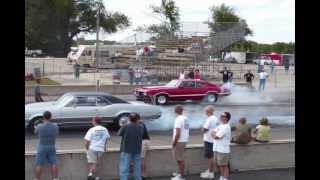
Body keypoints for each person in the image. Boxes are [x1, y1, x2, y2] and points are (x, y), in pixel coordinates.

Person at [118, 113, 144, 180]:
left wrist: (122, 125)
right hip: (137, 149)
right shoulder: (141, 127)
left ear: (129, 119)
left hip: (126, 149)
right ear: (137, 119)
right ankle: (138, 178)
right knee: (137, 167)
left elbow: (118, 134)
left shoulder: (125, 126)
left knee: (124, 166)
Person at [34, 111, 59, 180]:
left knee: (39, 164)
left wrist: (35, 126)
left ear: (43, 117)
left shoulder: (39, 126)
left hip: (42, 146)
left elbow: (35, 132)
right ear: (50, 117)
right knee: (54, 163)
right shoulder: (55, 126)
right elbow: (56, 134)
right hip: (51, 146)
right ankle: (55, 178)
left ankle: (37, 179)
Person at [200, 106, 219, 179]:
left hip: (208, 140)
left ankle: (210, 173)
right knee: (211, 156)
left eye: (206, 111)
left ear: (209, 112)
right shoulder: (215, 118)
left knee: (210, 157)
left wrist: (202, 129)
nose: (205, 112)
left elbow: (204, 129)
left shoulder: (209, 119)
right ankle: (210, 170)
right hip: (213, 140)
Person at [211, 112, 231, 180]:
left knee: (224, 165)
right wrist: (214, 134)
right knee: (219, 165)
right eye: (221, 116)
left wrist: (214, 135)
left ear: (227, 118)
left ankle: (225, 178)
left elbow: (217, 137)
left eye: (223, 116)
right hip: (217, 148)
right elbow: (212, 132)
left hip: (223, 150)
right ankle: (222, 177)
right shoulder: (220, 126)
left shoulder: (226, 127)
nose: (221, 117)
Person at [171, 105, 189, 180]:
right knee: (180, 158)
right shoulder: (186, 118)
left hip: (179, 141)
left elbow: (178, 133)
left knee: (180, 159)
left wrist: (174, 143)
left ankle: (181, 176)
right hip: (184, 140)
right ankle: (180, 173)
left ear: (175, 111)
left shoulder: (178, 119)